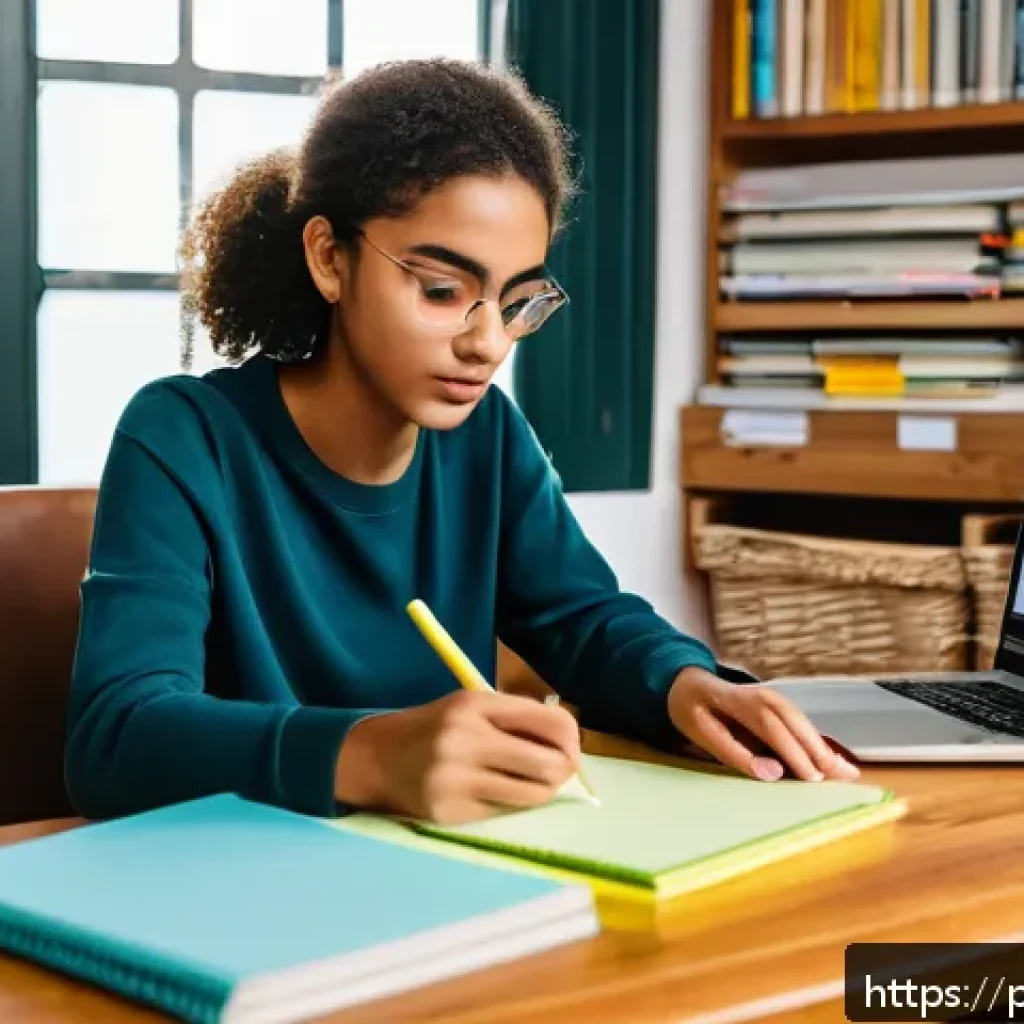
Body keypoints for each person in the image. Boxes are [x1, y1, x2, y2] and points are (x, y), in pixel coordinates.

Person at [65, 58, 858, 826]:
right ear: (328, 257)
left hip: (443, 884)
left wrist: (685, 682)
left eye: (515, 301)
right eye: (443, 292)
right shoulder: (185, 436)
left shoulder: (486, 435)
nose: (488, 344)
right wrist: (372, 755)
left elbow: (583, 616)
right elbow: (116, 737)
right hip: (239, 884)